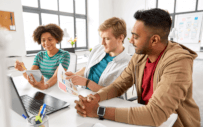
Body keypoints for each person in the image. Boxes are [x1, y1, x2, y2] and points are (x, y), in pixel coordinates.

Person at [74, 8, 201, 127]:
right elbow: (119, 85)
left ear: (154, 40)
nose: (131, 41)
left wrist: (98, 111)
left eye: (136, 36)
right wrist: (95, 98)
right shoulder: (140, 55)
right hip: (145, 120)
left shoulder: (178, 61)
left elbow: (155, 114)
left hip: (173, 123)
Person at [66, 17, 131, 92]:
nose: (102, 43)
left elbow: (112, 93)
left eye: (107, 39)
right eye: (102, 38)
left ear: (120, 38)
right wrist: (75, 75)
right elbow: (87, 68)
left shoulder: (128, 65)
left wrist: (86, 83)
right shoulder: (98, 48)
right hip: (84, 94)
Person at [15, 24, 70, 90]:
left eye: (50, 39)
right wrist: (22, 70)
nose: (46, 43)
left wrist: (45, 86)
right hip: (44, 86)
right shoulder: (39, 55)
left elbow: (56, 76)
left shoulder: (64, 55)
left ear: (56, 40)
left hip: (58, 87)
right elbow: (31, 76)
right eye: (43, 40)